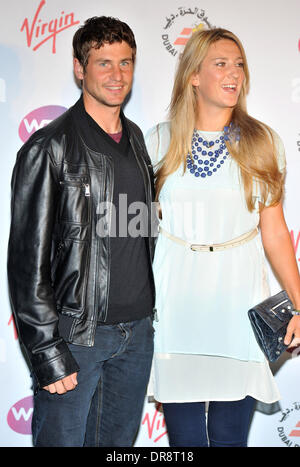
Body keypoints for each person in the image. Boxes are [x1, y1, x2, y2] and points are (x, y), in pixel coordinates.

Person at [145, 28, 300, 447]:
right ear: (194, 75)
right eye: (221, 63)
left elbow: (276, 233)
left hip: (238, 303)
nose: (234, 73)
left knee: (231, 437)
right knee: (185, 441)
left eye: (240, 64)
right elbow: (134, 230)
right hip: (176, 306)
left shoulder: (262, 142)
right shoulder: (157, 141)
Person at [7, 16, 156, 447]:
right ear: (79, 68)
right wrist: (47, 353)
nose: (117, 75)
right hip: (78, 336)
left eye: (125, 63)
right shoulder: (48, 146)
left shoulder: (136, 140)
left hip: (137, 335)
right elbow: (26, 262)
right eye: (104, 63)